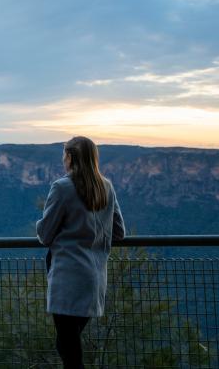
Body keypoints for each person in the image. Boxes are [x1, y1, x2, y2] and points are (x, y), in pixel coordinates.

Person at [36, 136, 125, 369]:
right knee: (67, 345)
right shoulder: (106, 186)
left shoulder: (62, 187)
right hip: (95, 278)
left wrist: (43, 224)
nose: (63, 160)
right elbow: (119, 232)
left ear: (70, 157)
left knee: (69, 350)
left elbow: (45, 235)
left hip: (68, 279)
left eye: (64, 155)